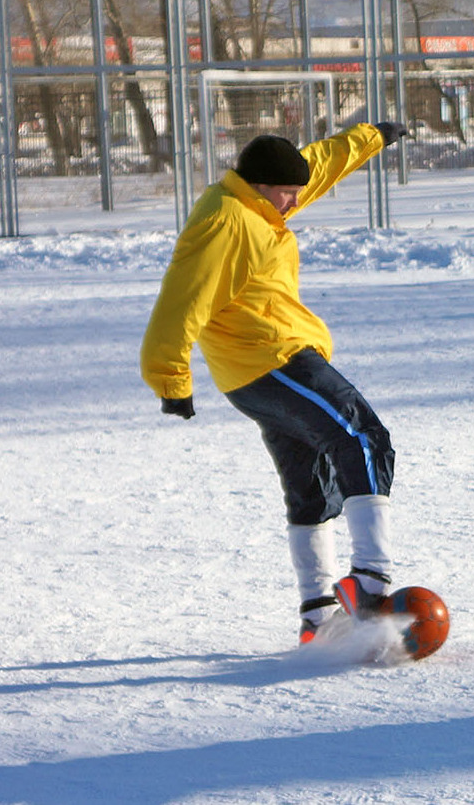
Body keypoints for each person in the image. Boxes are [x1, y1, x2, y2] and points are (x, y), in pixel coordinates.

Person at [141, 121, 412, 645]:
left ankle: (316, 617)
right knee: (360, 437)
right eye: (287, 194)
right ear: (263, 186)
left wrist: (371, 137)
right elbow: (181, 299)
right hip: (273, 360)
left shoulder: (260, 200)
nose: (294, 203)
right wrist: (171, 380)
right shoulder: (224, 220)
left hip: (254, 371)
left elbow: (314, 167)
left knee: (309, 485)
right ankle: (372, 580)